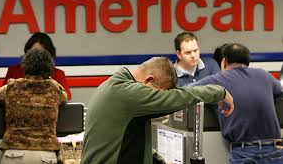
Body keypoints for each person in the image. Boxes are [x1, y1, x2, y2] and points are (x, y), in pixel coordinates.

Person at [80, 57, 234, 164]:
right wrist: (219, 92)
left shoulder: (115, 88)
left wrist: (157, 159)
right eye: (158, 93)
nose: (157, 99)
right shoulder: (127, 92)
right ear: (149, 80)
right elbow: (177, 98)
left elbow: (128, 139)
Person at [191, 43, 283, 164]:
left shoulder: (219, 79)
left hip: (244, 152)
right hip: (274, 150)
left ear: (224, 61)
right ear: (247, 62)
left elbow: (188, 91)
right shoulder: (264, 75)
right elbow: (280, 92)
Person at [0, 49, 68, 164]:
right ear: (49, 67)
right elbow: (65, 98)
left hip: (14, 154)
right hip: (46, 156)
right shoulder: (54, 89)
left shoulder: (12, 86)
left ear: (25, 66)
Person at [3, 32, 72, 100]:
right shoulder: (13, 71)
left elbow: (66, 97)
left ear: (49, 55)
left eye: (41, 53)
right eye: (33, 52)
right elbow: (1, 96)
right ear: (27, 52)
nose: (36, 56)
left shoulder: (57, 74)